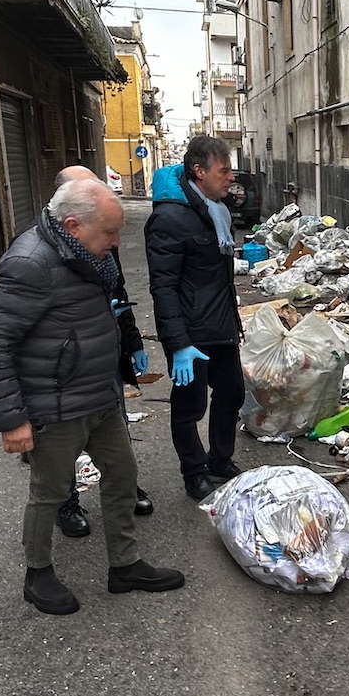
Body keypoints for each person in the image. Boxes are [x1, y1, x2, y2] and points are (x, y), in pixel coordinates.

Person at [0, 178, 184, 614]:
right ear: (72, 224)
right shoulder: (31, 263)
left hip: (99, 397)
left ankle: (124, 565)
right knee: (49, 494)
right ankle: (38, 574)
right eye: (109, 232)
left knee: (122, 477)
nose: (116, 242)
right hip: (55, 404)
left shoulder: (87, 255)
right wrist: (11, 420)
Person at [50, 165, 153, 540]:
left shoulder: (100, 237)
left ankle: (124, 488)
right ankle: (65, 501)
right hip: (64, 368)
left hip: (106, 356)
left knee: (115, 431)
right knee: (61, 444)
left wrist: (132, 341)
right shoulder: (38, 252)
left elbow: (117, 292)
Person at [146, 135, 243, 500]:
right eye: (224, 170)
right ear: (198, 171)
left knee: (232, 392)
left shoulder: (216, 210)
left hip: (220, 327)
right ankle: (194, 471)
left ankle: (220, 459)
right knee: (190, 406)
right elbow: (164, 287)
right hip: (190, 333)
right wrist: (179, 343)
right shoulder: (169, 218)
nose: (230, 177)